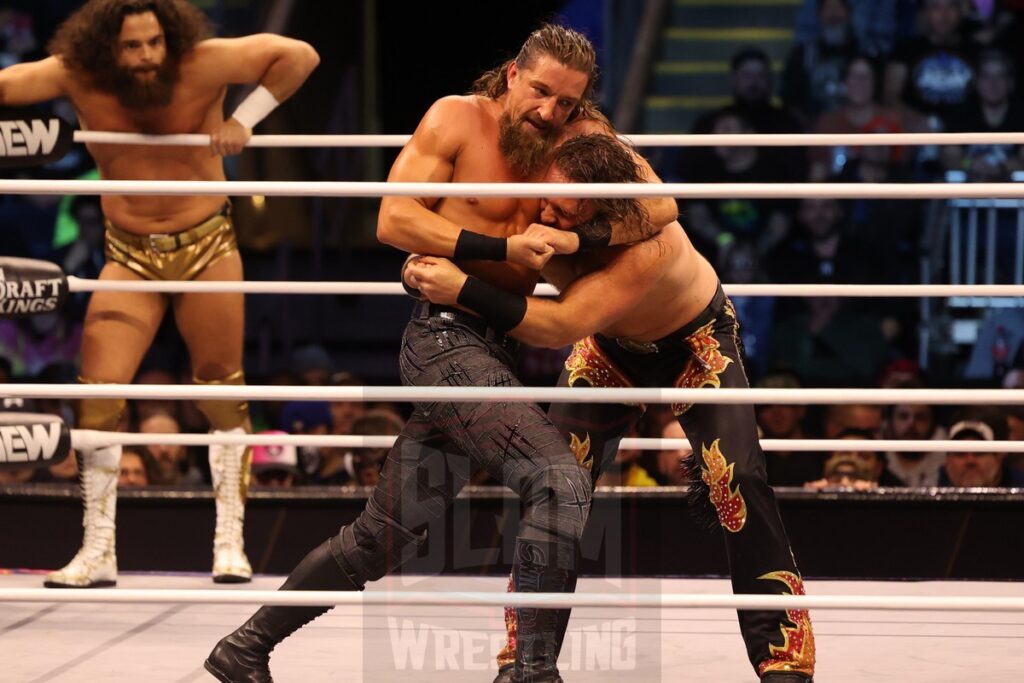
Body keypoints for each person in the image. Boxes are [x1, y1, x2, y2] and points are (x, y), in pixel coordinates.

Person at [205, 24, 676, 683]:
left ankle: (243, 647)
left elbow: (660, 206)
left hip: (498, 349)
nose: (549, 112)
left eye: (566, 102)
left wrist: (581, 238)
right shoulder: (457, 118)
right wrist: (502, 252)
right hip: (443, 338)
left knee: (383, 535)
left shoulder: (581, 136)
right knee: (559, 479)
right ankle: (531, 672)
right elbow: (393, 218)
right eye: (540, 92)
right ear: (513, 74)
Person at [407, 133, 816, 682]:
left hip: (694, 340)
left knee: (737, 476)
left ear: (604, 210)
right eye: (548, 198)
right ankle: (526, 659)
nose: (547, 213)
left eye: (566, 212)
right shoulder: (555, 175)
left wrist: (461, 288)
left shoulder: (649, 248)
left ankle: (783, 661)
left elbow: (555, 326)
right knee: (555, 485)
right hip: (609, 346)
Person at [0, 0, 319, 587]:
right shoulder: (79, 73)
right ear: (107, 48)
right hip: (128, 252)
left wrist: (245, 118)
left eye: (154, 42)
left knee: (221, 386)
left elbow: (298, 55)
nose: (147, 56)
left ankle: (230, 541)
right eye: (131, 46)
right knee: (98, 391)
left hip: (207, 245)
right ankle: (97, 548)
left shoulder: (203, 62)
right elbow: (9, 85)